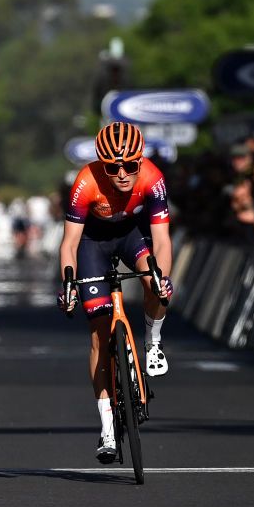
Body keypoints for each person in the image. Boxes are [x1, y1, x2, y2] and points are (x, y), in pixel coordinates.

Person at [57, 121, 174, 464]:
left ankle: (153, 343)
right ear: (101, 165)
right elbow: (69, 243)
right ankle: (107, 427)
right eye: (112, 167)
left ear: (141, 161)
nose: (122, 174)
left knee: (154, 280)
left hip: (133, 238)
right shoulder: (85, 182)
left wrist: (161, 278)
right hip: (93, 244)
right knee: (98, 334)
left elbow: (163, 240)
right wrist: (68, 284)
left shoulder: (153, 179)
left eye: (129, 165)